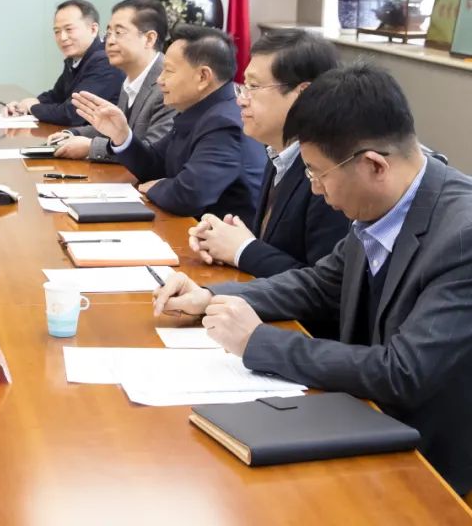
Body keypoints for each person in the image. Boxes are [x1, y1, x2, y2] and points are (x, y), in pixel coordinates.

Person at [152, 63, 472, 497]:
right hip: (360, 418)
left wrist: (258, 342)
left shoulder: (461, 236)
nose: (316, 190)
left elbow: (403, 372)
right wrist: (210, 297)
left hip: (426, 462)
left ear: (374, 165)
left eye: (318, 174)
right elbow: (320, 284)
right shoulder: (385, 201)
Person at [188, 29, 349, 278]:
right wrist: (224, 242)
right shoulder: (278, 152)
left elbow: (326, 285)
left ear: (303, 94)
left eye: (253, 86)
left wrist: (243, 250)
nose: (241, 100)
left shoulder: (331, 170)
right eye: (243, 86)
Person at [73, 25, 265, 222]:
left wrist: (156, 186)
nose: (160, 79)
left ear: (203, 77)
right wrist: (122, 136)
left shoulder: (224, 124)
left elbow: (188, 195)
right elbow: (154, 165)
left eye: (168, 71)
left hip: (213, 237)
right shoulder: (200, 110)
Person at [47, 0, 174, 161]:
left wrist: (91, 147)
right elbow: (114, 129)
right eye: (108, 33)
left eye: (119, 33)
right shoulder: (131, 79)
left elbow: (152, 153)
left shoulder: (168, 84)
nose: (110, 41)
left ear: (149, 39)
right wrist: (72, 133)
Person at [2, 0, 125, 126]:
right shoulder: (75, 58)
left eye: (69, 29)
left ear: (93, 29)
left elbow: (73, 113)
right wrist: (24, 105)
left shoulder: (105, 61)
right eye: (57, 31)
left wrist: (32, 107)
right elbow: (56, 96)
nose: (62, 37)